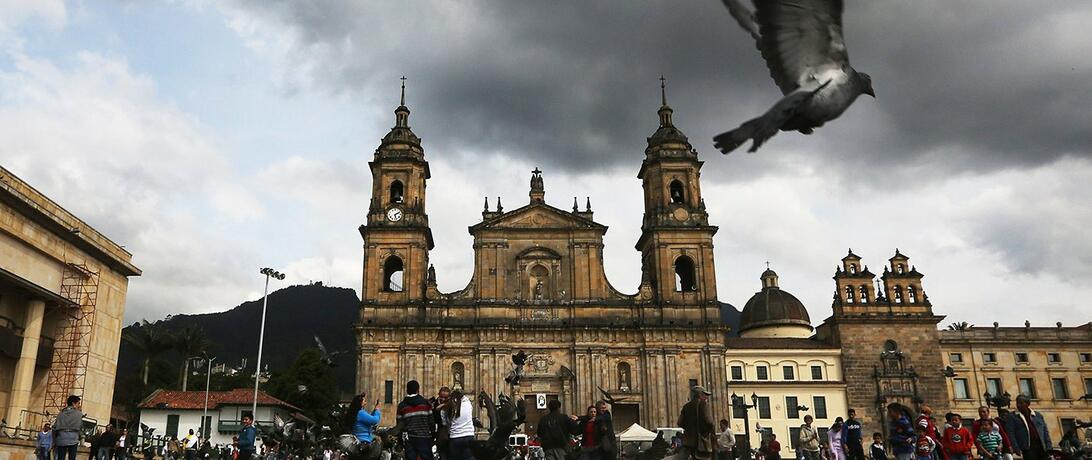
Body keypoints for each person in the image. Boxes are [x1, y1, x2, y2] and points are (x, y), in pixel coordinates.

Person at [1003, 395, 1051, 460]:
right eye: (1017, 403)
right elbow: (1010, 433)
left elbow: (1045, 431)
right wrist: (1015, 447)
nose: (1019, 405)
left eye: (1021, 403)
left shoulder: (1038, 415)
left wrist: (1048, 445)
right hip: (1027, 447)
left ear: (1027, 404)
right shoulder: (1012, 417)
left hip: (1041, 446)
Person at [398, 380, 435, 460]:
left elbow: (399, 425)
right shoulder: (426, 404)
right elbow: (431, 422)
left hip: (409, 438)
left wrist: (400, 441)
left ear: (407, 390)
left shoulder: (401, 406)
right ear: (418, 390)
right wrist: (433, 436)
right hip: (424, 437)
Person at [679, 386, 717, 460]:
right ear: (700, 395)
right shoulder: (704, 405)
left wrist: (688, 428)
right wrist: (711, 429)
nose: (706, 397)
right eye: (705, 395)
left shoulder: (686, 406)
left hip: (689, 442)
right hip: (702, 441)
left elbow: (679, 422)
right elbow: (709, 421)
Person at [441, 390, 474, 460]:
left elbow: (445, 422)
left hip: (455, 437)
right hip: (469, 436)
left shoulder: (449, 407)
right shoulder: (468, 404)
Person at [53, 396, 84, 460]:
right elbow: (81, 426)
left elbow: (54, 427)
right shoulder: (79, 414)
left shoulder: (60, 413)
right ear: (73, 403)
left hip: (61, 438)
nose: (79, 405)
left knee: (60, 457)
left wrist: (54, 440)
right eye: (78, 403)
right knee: (72, 457)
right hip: (73, 439)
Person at [432, 387, 452, 460]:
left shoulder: (452, 404)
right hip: (440, 431)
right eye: (441, 397)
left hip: (450, 432)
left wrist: (445, 405)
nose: (443, 399)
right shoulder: (435, 403)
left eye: (445, 397)